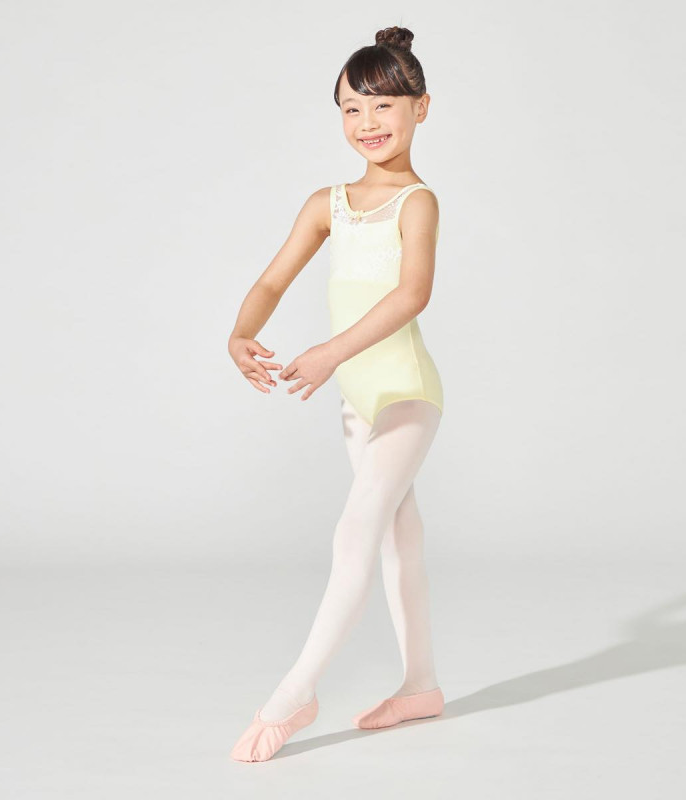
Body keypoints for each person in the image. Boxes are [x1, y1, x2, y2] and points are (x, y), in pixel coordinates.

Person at [227, 25, 446, 762]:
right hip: (358, 400)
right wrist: (241, 333)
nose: (368, 122)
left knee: (355, 532)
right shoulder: (330, 202)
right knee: (396, 537)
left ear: (421, 108)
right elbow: (271, 280)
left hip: (407, 392)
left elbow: (412, 295)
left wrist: (328, 352)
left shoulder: (417, 202)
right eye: (352, 108)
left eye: (384, 105)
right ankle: (421, 685)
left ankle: (296, 692)